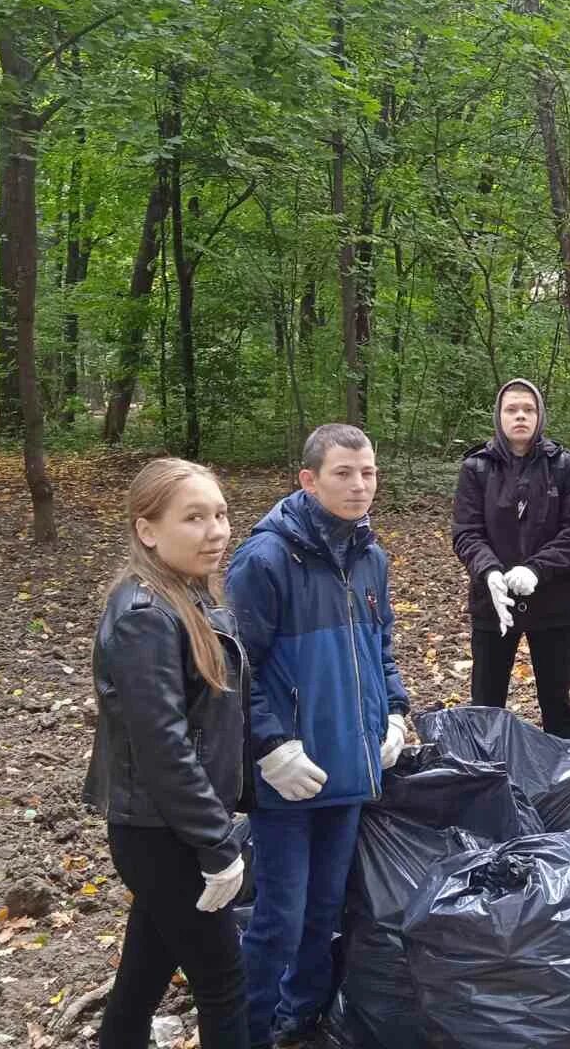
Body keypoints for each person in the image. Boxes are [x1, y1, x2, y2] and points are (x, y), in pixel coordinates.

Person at [225, 424, 410, 1049]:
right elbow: (234, 668)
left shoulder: (370, 555)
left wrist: (394, 712)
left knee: (326, 909)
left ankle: (298, 1019)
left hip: (350, 768)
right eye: (344, 474)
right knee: (280, 914)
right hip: (291, 775)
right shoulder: (267, 559)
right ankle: (248, 1029)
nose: (360, 487)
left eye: (369, 474)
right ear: (308, 480)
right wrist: (271, 745)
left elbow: (381, 646)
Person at [83, 458, 250, 1048]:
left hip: (176, 826)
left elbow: (219, 722)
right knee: (223, 978)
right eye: (195, 518)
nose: (216, 531)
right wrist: (215, 843)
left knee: (144, 974)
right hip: (161, 833)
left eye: (221, 514)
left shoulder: (193, 597)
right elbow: (164, 749)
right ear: (147, 530)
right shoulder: (145, 617)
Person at [451, 378, 570, 740]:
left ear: (540, 416)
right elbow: (466, 531)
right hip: (492, 604)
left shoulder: (563, 465)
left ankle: (566, 783)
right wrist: (489, 571)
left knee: (556, 701)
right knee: (485, 701)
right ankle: (484, 780)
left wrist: (537, 568)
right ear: (499, 416)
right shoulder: (477, 468)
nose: (520, 417)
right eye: (511, 409)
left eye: (528, 410)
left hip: (552, 603)